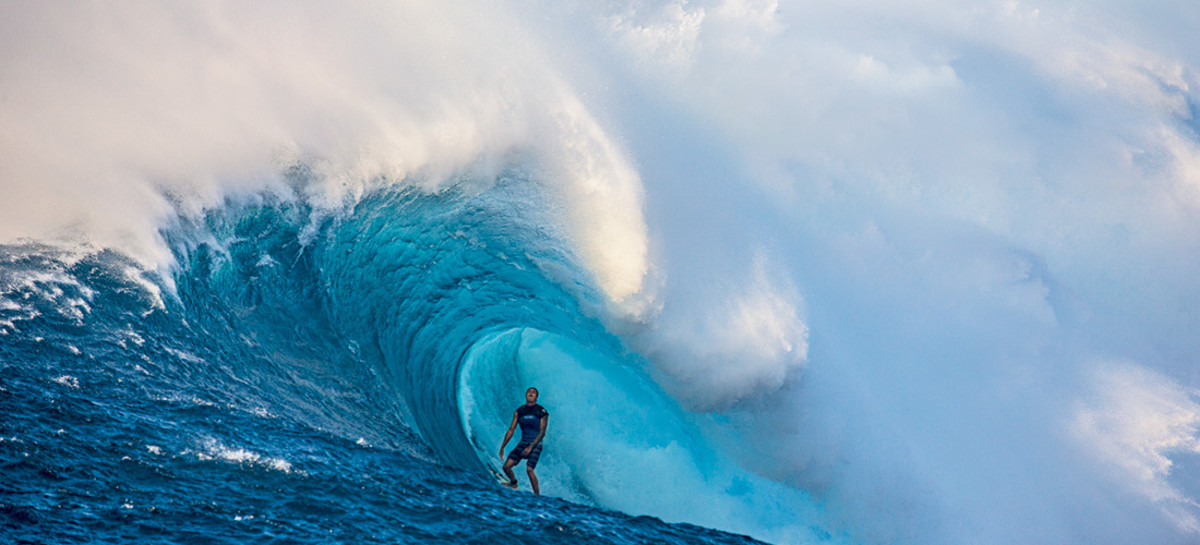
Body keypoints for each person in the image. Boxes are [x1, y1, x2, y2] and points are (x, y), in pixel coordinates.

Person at [498, 386, 548, 494]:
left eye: (533, 392)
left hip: (536, 443)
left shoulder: (541, 411)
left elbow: (542, 432)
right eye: (529, 391)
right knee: (506, 467)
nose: (530, 393)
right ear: (525, 395)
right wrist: (503, 447)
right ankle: (513, 483)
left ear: (536, 397)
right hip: (523, 442)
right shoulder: (519, 411)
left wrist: (531, 447)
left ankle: (537, 495)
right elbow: (511, 430)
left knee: (529, 470)